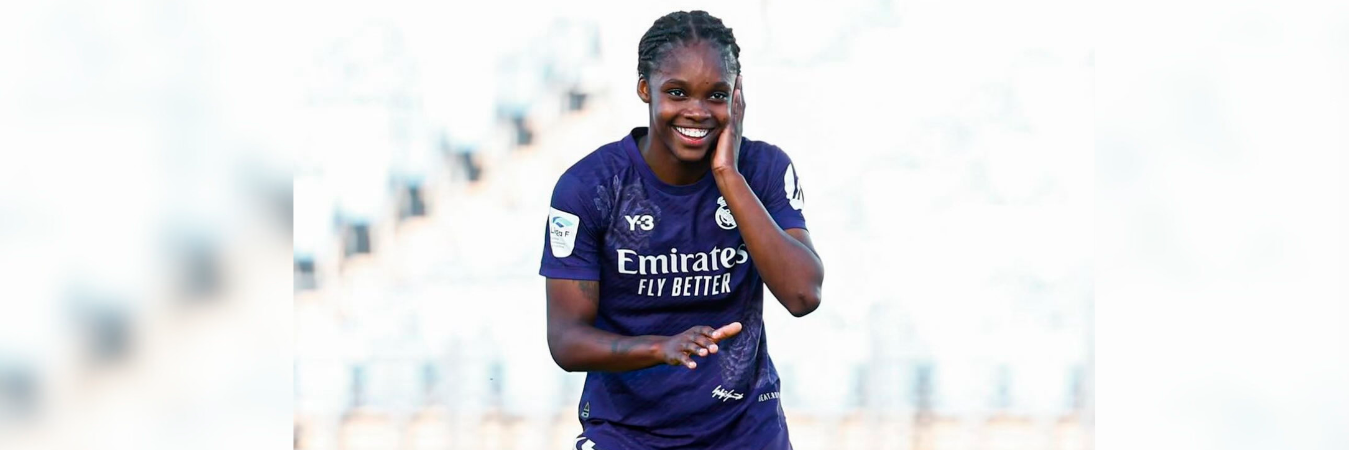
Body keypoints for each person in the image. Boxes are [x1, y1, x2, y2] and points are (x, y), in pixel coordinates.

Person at [539, 10, 824, 450]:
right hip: (627, 434)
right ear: (643, 90)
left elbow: (804, 295)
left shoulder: (763, 170)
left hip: (746, 431)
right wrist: (661, 348)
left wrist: (728, 174)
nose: (696, 111)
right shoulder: (590, 187)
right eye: (676, 92)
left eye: (715, 95)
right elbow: (566, 340)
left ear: (737, 98)